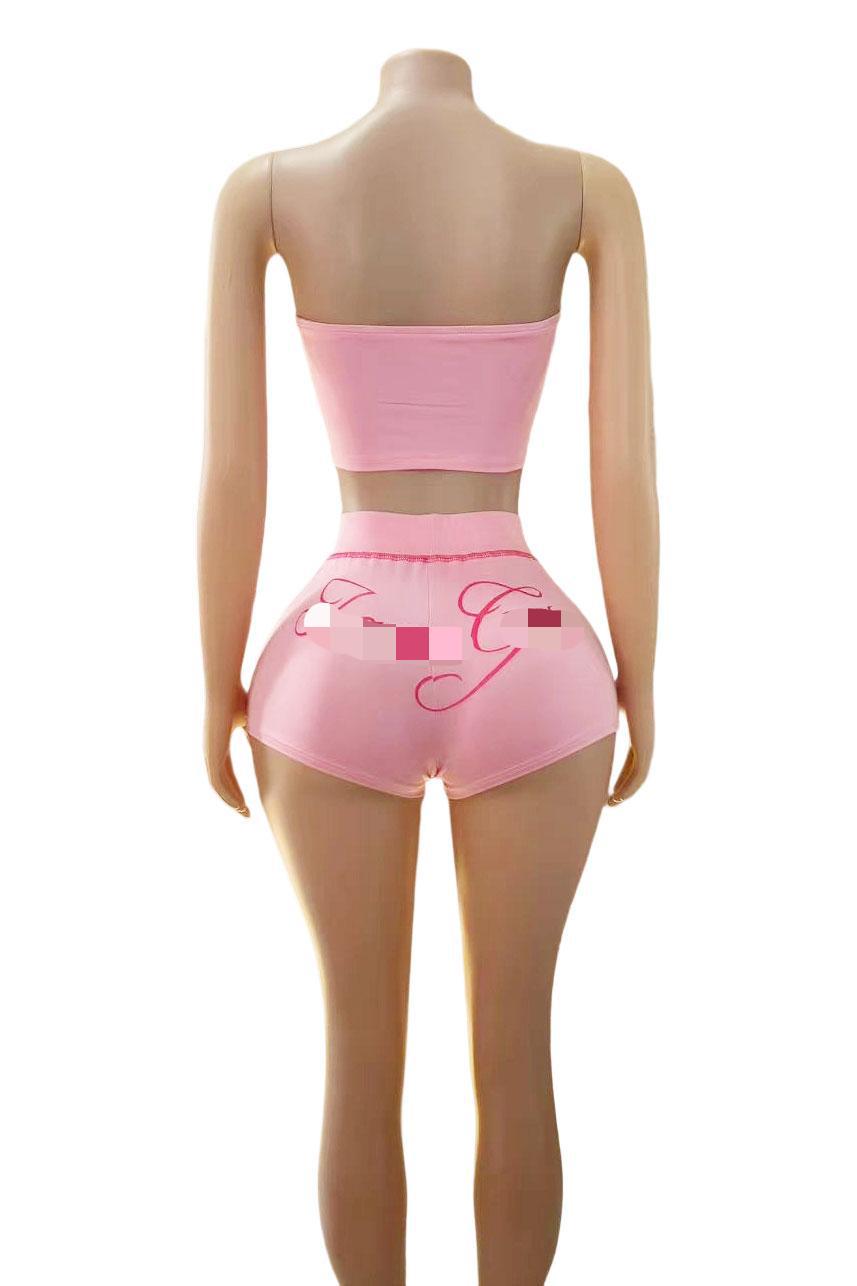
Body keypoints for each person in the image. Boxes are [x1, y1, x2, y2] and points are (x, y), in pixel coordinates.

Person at [198, 47, 658, 1286]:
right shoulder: (583, 188)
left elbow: (230, 467)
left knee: (355, 1064)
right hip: (530, 650)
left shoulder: (269, 189)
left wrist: (211, 679)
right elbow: (625, 463)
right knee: (518, 1059)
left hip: (336, 651)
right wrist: (643, 673)